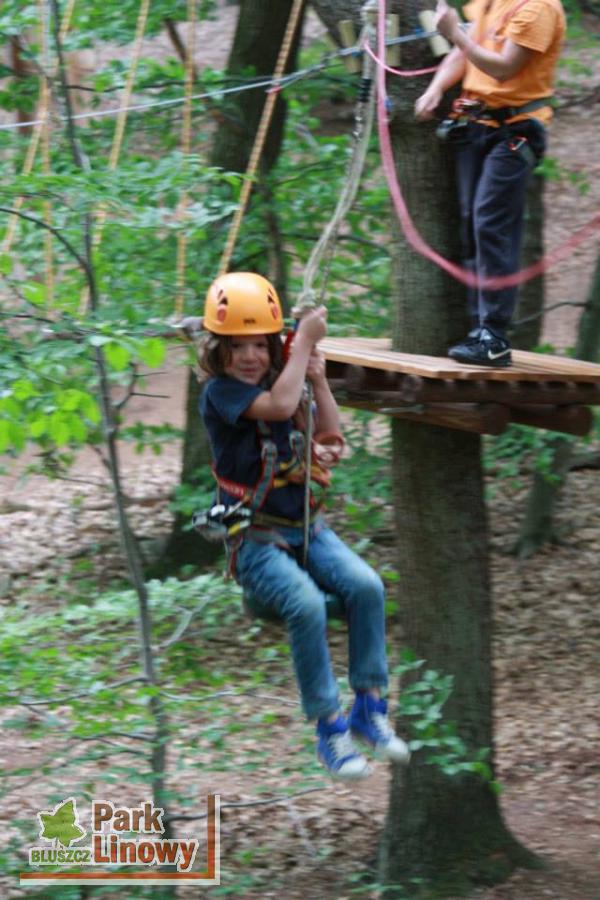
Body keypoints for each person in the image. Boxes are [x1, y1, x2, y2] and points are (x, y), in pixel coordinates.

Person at [198, 271, 410, 779]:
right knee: (307, 605)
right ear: (219, 352)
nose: (250, 357)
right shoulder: (221, 394)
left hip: (308, 530)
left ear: (273, 348)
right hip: (257, 541)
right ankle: (330, 728)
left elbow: (330, 433)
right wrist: (305, 345)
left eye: (260, 345)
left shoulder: (285, 383)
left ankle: (369, 708)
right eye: (237, 347)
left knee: (368, 587)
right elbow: (277, 407)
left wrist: (317, 378)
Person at [415, 0, 566, 367]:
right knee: (472, 224)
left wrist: (453, 32)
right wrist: (437, 87)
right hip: (477, 124)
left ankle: (494, 335)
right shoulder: (489, 2)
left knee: (491, 221)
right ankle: (478, 329)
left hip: (517, 129)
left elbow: (503, 67)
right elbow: (467, 50)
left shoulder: (538, 8)